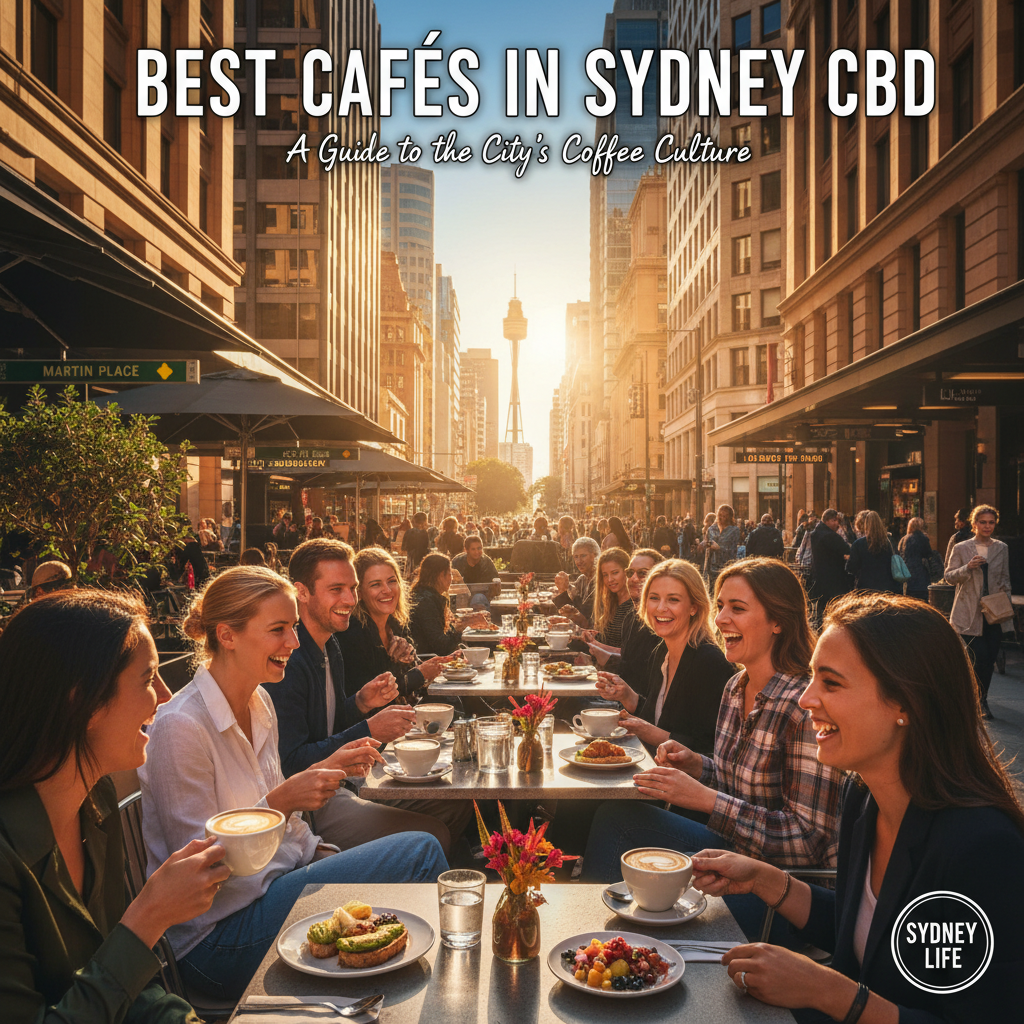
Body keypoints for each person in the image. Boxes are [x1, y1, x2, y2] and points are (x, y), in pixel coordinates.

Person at [692, 592, 1024, 1022]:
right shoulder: (862, 796)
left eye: (831, 683)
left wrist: (828, 991)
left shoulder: (981, 848)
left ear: (906, 702)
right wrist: (763, 878)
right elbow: (869, 935)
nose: (805, 698)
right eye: (812, 678)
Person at [139, 565, 448, 999]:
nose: (294, 643)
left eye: (294, 628)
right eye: (279, 630)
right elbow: (196, 874)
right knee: (420, 851)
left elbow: (292, 831)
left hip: (274, 892)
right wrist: (280, 803)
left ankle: (395, 997)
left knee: (407, 869)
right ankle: (439, 1000)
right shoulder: (180, 726)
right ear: (227, 635)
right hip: (214, 943)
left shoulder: (259, 701)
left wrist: (322, 854)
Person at [582, 558, 846, 941]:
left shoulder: (802, 706)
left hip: (779, 893)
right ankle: (604, 946)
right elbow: (733, 778)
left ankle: (608, 944)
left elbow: (806, 845)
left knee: (620, 826)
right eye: (720, 605)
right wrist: (697, 765)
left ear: (778, 621)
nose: (720, 619)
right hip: (729, 851)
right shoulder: (736, 687)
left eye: (737, 609)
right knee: (613, 814)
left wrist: (707, 799)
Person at [0, 589, 230, 1023]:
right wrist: (148, 917)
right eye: (148, 679)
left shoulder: (96, 803)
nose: (165, 696)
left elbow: (134, 990)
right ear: (81, 701)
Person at [277, 542, 460, 855]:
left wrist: (360, 702)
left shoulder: (330, 645)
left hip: (348, 783)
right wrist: (370, 728)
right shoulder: (289, 659)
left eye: (352, 588)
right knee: (434, 834)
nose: (350, 599)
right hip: (313, 808)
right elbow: (291, 764)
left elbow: (327, 728)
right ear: (302, 592)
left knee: (457, 803)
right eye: (337, 589)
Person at [596, 559, 733, 755]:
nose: (661, 608)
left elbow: (709, 749)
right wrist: (627, 695)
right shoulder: (661, 650)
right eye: (654, 598)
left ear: (694, 607)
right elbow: (660, 718)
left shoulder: (709, 662)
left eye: (673, 600)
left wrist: (647, 731)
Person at [945, 505, 1012, 721]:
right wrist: (967, 568)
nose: (987, 526)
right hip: (968, 611)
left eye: (991, 522)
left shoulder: (1001, 548)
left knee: (989, 658)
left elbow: (1005, 579)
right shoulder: (962, 547)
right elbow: (948, 576)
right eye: (983, 522)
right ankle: (973, 700)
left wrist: (1007, 613)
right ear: (974, 524)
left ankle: (981, 700)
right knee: (978, 658)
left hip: (994, 612)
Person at [408, 553, 489, 656]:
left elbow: (443, 634)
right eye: (450, 573)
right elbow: (442, 646)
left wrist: (466, 620)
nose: (451, 579)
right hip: (430, 662)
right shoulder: (426, 602)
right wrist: (464, 625)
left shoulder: (425, 595)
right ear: (441, 575)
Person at [582, 548, 634, 651]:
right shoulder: (610, 602)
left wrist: (596, 645)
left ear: (627, 572)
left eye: (615, 573)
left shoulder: (634, 606)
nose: (610, 579)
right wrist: (593, 637)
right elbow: (611, 641)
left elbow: (630, 654)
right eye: (605, 575)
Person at [809, 509, 851, 621]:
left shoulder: (815, 534)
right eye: (834, 520)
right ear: (827, 520)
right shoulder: (830, 536)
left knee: (821, 610)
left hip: (819, 578)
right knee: (834, 610)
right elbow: (846, 549)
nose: (837, 524)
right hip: (834, 579)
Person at [549, 536, 600, 628]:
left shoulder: (600, 581)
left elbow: (582, 618)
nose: (579, 561)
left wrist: (563, 591)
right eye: (576, 557)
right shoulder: (582, 579)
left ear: (595, 555)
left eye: (583, 556)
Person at [845, 510, 900, 594]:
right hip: (887, 587)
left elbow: (850, 568)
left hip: (865, 587)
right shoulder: (888, 542)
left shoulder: (858, 544)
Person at [451, 535, 501, 610]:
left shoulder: (487, 562)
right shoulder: (458, 562)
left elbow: (495, 581)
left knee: (478, 598)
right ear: (466, 550)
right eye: (473, 549)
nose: (477, 552)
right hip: (461, 597)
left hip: (482, 597)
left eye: (479, 548)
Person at [700, 504, 741, 582]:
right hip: (712, 567)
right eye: (720, 515)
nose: (721, 518)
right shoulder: (711, 529)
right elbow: (707, 543)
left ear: (729, 517)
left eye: (724, 516)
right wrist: (703, 544)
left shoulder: (734, 530)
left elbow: (732, 549)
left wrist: (719, 548)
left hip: (727, 567)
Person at [898, 516, 934, 602]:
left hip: (907, 575)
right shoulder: (923, 538)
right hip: (921, 575)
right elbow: (928, 554)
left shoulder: (903, 539)